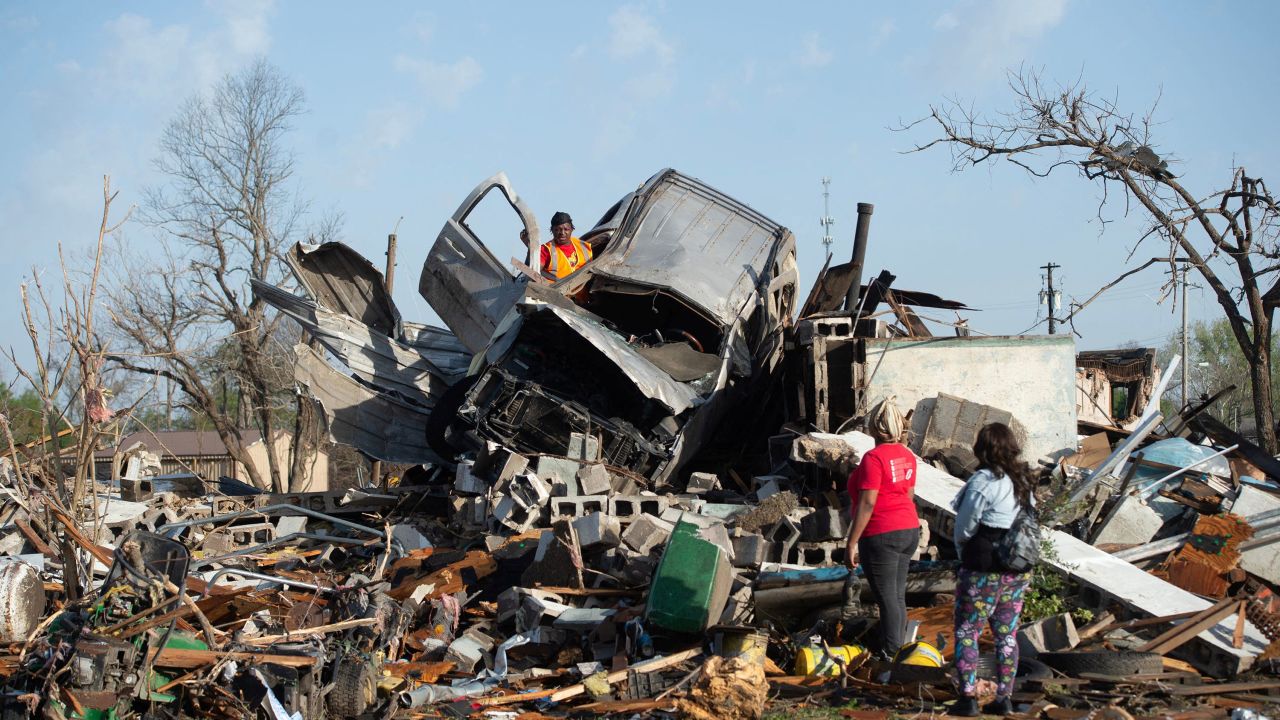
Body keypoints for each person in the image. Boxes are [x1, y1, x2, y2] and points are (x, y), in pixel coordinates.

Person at [949, 422, 1037, 717]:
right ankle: (1004, 698)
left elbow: (964, 527)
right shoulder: (1023, 481)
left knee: (967, 631)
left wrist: (964, 554)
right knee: (1007, 635)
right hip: (1016, 570)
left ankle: (968, 697)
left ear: (981, 448)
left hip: (982, 569)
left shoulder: (982, 481)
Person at [844, 398, 920, 661]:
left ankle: (891, 656)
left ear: (874, 428)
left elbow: (868, 502)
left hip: (881, 533)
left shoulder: (873, 458)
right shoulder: (908, 457)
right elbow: (909, 495)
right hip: (909, 529)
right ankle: (898, 651)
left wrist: (851, 542)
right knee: (897, 597)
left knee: (887, 599)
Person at [527, 211, 593, 280]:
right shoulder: (545, 250)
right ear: (552, 230)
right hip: (556, 289)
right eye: (557, 229)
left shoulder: (584, 246)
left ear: (572, 229)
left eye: (566, 229)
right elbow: (533, 274)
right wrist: (530, 246)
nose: (562, 233)